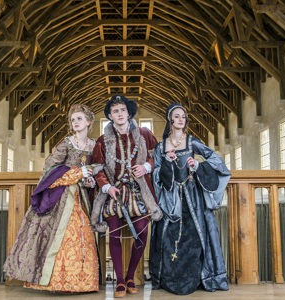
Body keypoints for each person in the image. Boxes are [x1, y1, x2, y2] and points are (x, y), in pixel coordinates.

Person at [3, 104, 99, 293]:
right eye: (73, 120)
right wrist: (76, 173)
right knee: (57, 236)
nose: (75, 122)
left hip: (80, 198)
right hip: (60, 197)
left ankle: (80, 283)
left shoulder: (94, 145)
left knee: (82, 236)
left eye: (79, 118)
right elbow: (49, 169)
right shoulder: (66, 143)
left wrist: (89, 180)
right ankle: (53, 282)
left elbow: (95, 169)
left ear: (88, 121)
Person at [149, 102, 231, 295]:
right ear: (170, 120)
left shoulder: (192, 142)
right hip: (170, 199)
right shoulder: (161, 147)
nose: (180, 119)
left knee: (195, 235)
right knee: (167, 237)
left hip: (192, 196)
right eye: (176, 116)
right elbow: (156, 174)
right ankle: (169, 277)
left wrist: (197, 166)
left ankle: (198, 276)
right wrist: (167, 165)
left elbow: (217, 161)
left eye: (183, 116)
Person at [90, 95, 163, 298]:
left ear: (129, 113)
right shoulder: (102, 141)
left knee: (141, 230)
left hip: (139, 191)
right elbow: (97, 168)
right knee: (114, 231)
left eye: (123, 110)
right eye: (115, 111)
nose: (119, 114)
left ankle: (131, 276)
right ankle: (120, 281)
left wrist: (147, 166)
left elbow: (157, 156)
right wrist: (107, 188)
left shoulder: (144, 134)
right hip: (115, 193)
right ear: (110, 116)